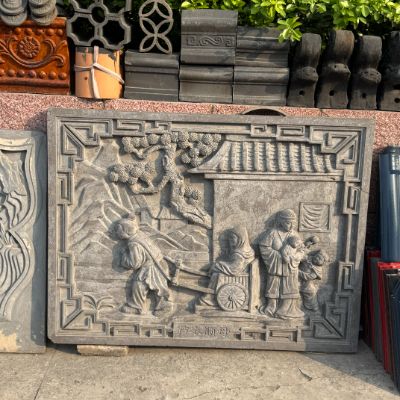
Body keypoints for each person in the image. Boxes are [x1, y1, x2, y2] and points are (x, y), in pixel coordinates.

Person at [114, 213, 172, 316]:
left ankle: (137, 307)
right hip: (159, 263)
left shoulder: (134, 244)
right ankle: (163, 305)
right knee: (159, 287)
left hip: (152, 268)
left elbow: (134, 263)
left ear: (126, 231)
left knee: (139, 284)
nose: (116, 233)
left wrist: (124, 255)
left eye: (118, 230)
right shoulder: (139, 235)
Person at [259, 209, 305, 319]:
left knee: (290, 286)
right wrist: (278, 256)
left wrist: (296, 257)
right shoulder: (272, 233)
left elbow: (301, 249)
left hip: (291, 266)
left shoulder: (294, 234)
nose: (291, 226)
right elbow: (264, 247)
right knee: (274, 285)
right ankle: (272, 307)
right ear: (281, 221)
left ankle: (287, 309)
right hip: (276, 266)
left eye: (293, 223)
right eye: (288, 223)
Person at [200, 226, 255, 307]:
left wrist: (218, 265)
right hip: (240, 272)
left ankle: (209, 298)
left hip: (238, 275)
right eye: (229, 239)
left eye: (232, 238)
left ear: (241, 239)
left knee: (215, 274)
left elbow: (234, 269)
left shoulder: (238, 254)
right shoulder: (248, 250)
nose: (230, 241)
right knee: (215, 267)